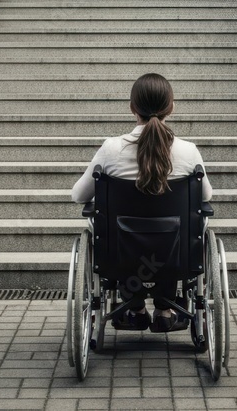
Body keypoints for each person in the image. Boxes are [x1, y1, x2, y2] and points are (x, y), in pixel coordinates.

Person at [71, 73, 213, 333]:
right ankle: (165, 309)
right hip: (175, 257)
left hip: (120, 257)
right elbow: (206, 197)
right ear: (171, 107)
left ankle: (134, 308)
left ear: (132, 108)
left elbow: (79, 195)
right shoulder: (188, 151)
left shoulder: (111, 149)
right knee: (170, 236)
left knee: (126, 237)